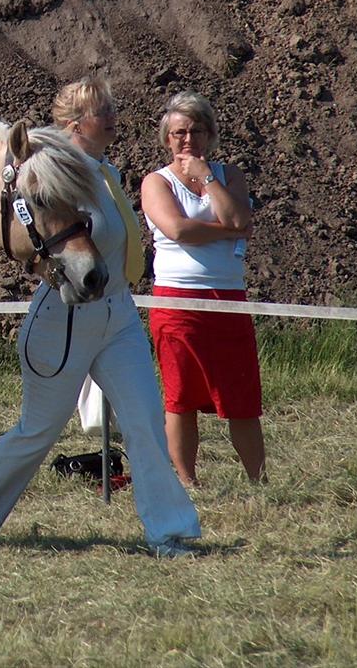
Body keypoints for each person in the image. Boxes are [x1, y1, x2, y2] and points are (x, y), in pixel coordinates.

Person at [0, 76, 202, 558]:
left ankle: (169, 534)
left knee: (145, 423)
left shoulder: (102, 171)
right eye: (101, 110)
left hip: (117, 313)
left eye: (112, 106)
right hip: (66, 319)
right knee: (38, 431)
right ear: (74, 125)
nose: (113, 115)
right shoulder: (58, 177)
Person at [141, 90, 263, 486]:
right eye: (179, 133)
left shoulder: (230, 177)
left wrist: (207, 179)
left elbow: (239, 214)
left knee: (242, 397)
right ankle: (187, 482)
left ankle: (257, 480)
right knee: (181, 397)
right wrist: (226, 230)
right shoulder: (156, 182)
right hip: (177, 300)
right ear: (166, 138)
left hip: (228, 298)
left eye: (195, 131)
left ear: (210, 135)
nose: (187, 139)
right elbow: (177, 229)